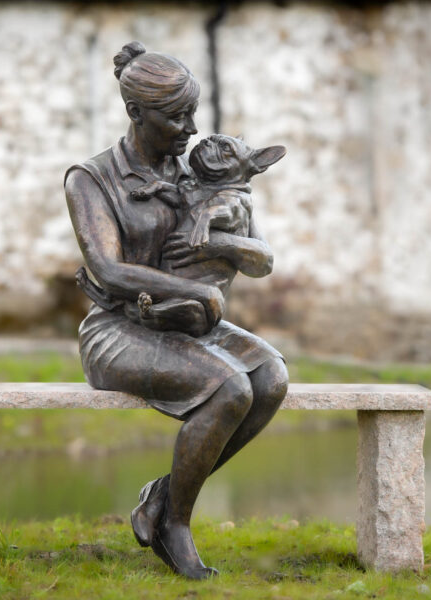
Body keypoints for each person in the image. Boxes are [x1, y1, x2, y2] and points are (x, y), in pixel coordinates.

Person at [64, 41, 288, 580]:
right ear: (136, 113)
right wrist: (198, 293)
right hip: (117, 329)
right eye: (176, 116)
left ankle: (162, 496)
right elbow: (108, 270)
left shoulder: (197, 172)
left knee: (271, 377)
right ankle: (177, 526)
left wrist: (222, 249)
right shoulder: (91, 180)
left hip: (189, 325)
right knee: (231, 388)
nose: (190, 128)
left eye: (193, 112)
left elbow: (261, 259)